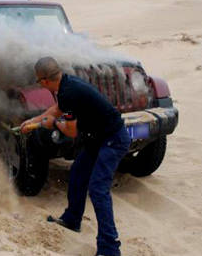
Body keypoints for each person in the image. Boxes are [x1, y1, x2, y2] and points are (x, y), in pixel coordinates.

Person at [20, 56, 131, 256]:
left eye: (38, 81)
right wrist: (33, 120)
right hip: (97, 139)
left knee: (98, 189)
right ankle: (72, 219)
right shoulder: (65, 85)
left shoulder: (69, 92)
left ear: (44, 81)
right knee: (78, 174)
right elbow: (57, 110)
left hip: (112, 140)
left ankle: (110, 248)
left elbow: (70, 131)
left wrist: (51, 124)